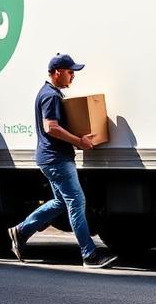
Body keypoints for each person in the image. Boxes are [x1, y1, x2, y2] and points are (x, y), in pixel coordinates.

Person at [8, 54, 118, 269]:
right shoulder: (50, 96)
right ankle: (89, 255)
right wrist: (79, 141)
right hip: (56, 159)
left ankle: (21, 231)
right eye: (70, 72)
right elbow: (51, 127)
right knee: (76, 202)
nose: (73, 76)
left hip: (52, 158)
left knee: (61, 202)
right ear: (57, 72)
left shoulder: (50, 93)